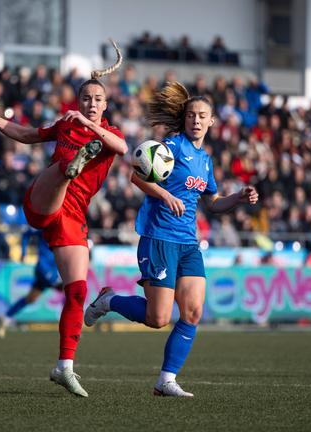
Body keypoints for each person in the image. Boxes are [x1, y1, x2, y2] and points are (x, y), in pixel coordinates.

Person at [84, 82, 259, 397]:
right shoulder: (172, 146)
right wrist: (164, 195)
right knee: (158, 318)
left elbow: (214, 203)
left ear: (211, 121)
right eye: (191, 114)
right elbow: (136, 175)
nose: (195, 120)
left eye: (201, 115)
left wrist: (239, 198)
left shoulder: (205, 160)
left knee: (192, 312)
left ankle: (166, 380)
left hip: (188, 243)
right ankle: (109, 301)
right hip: (159, 237)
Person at [0, 40, 127, 397]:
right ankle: (70, 168)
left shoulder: (112, 135)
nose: (91, 104)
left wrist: (86, 124)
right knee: (64, 169)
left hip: (72, 219)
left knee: (78, 291)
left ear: (105, 105)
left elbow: (122, 149)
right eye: (85, 99)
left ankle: (64, 366)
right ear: (76, 101)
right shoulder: (64, 123)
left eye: (97, 100)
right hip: (43, 201)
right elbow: (27, 134)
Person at [0, 229, 62, 338]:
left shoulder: (62, 222)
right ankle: (71, 327)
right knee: (70, 291)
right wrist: (23, 252)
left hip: (55, 268)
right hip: (45, 268)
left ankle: (6, 317)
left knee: (31, 298)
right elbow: (26, 234)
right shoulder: (46, 223)